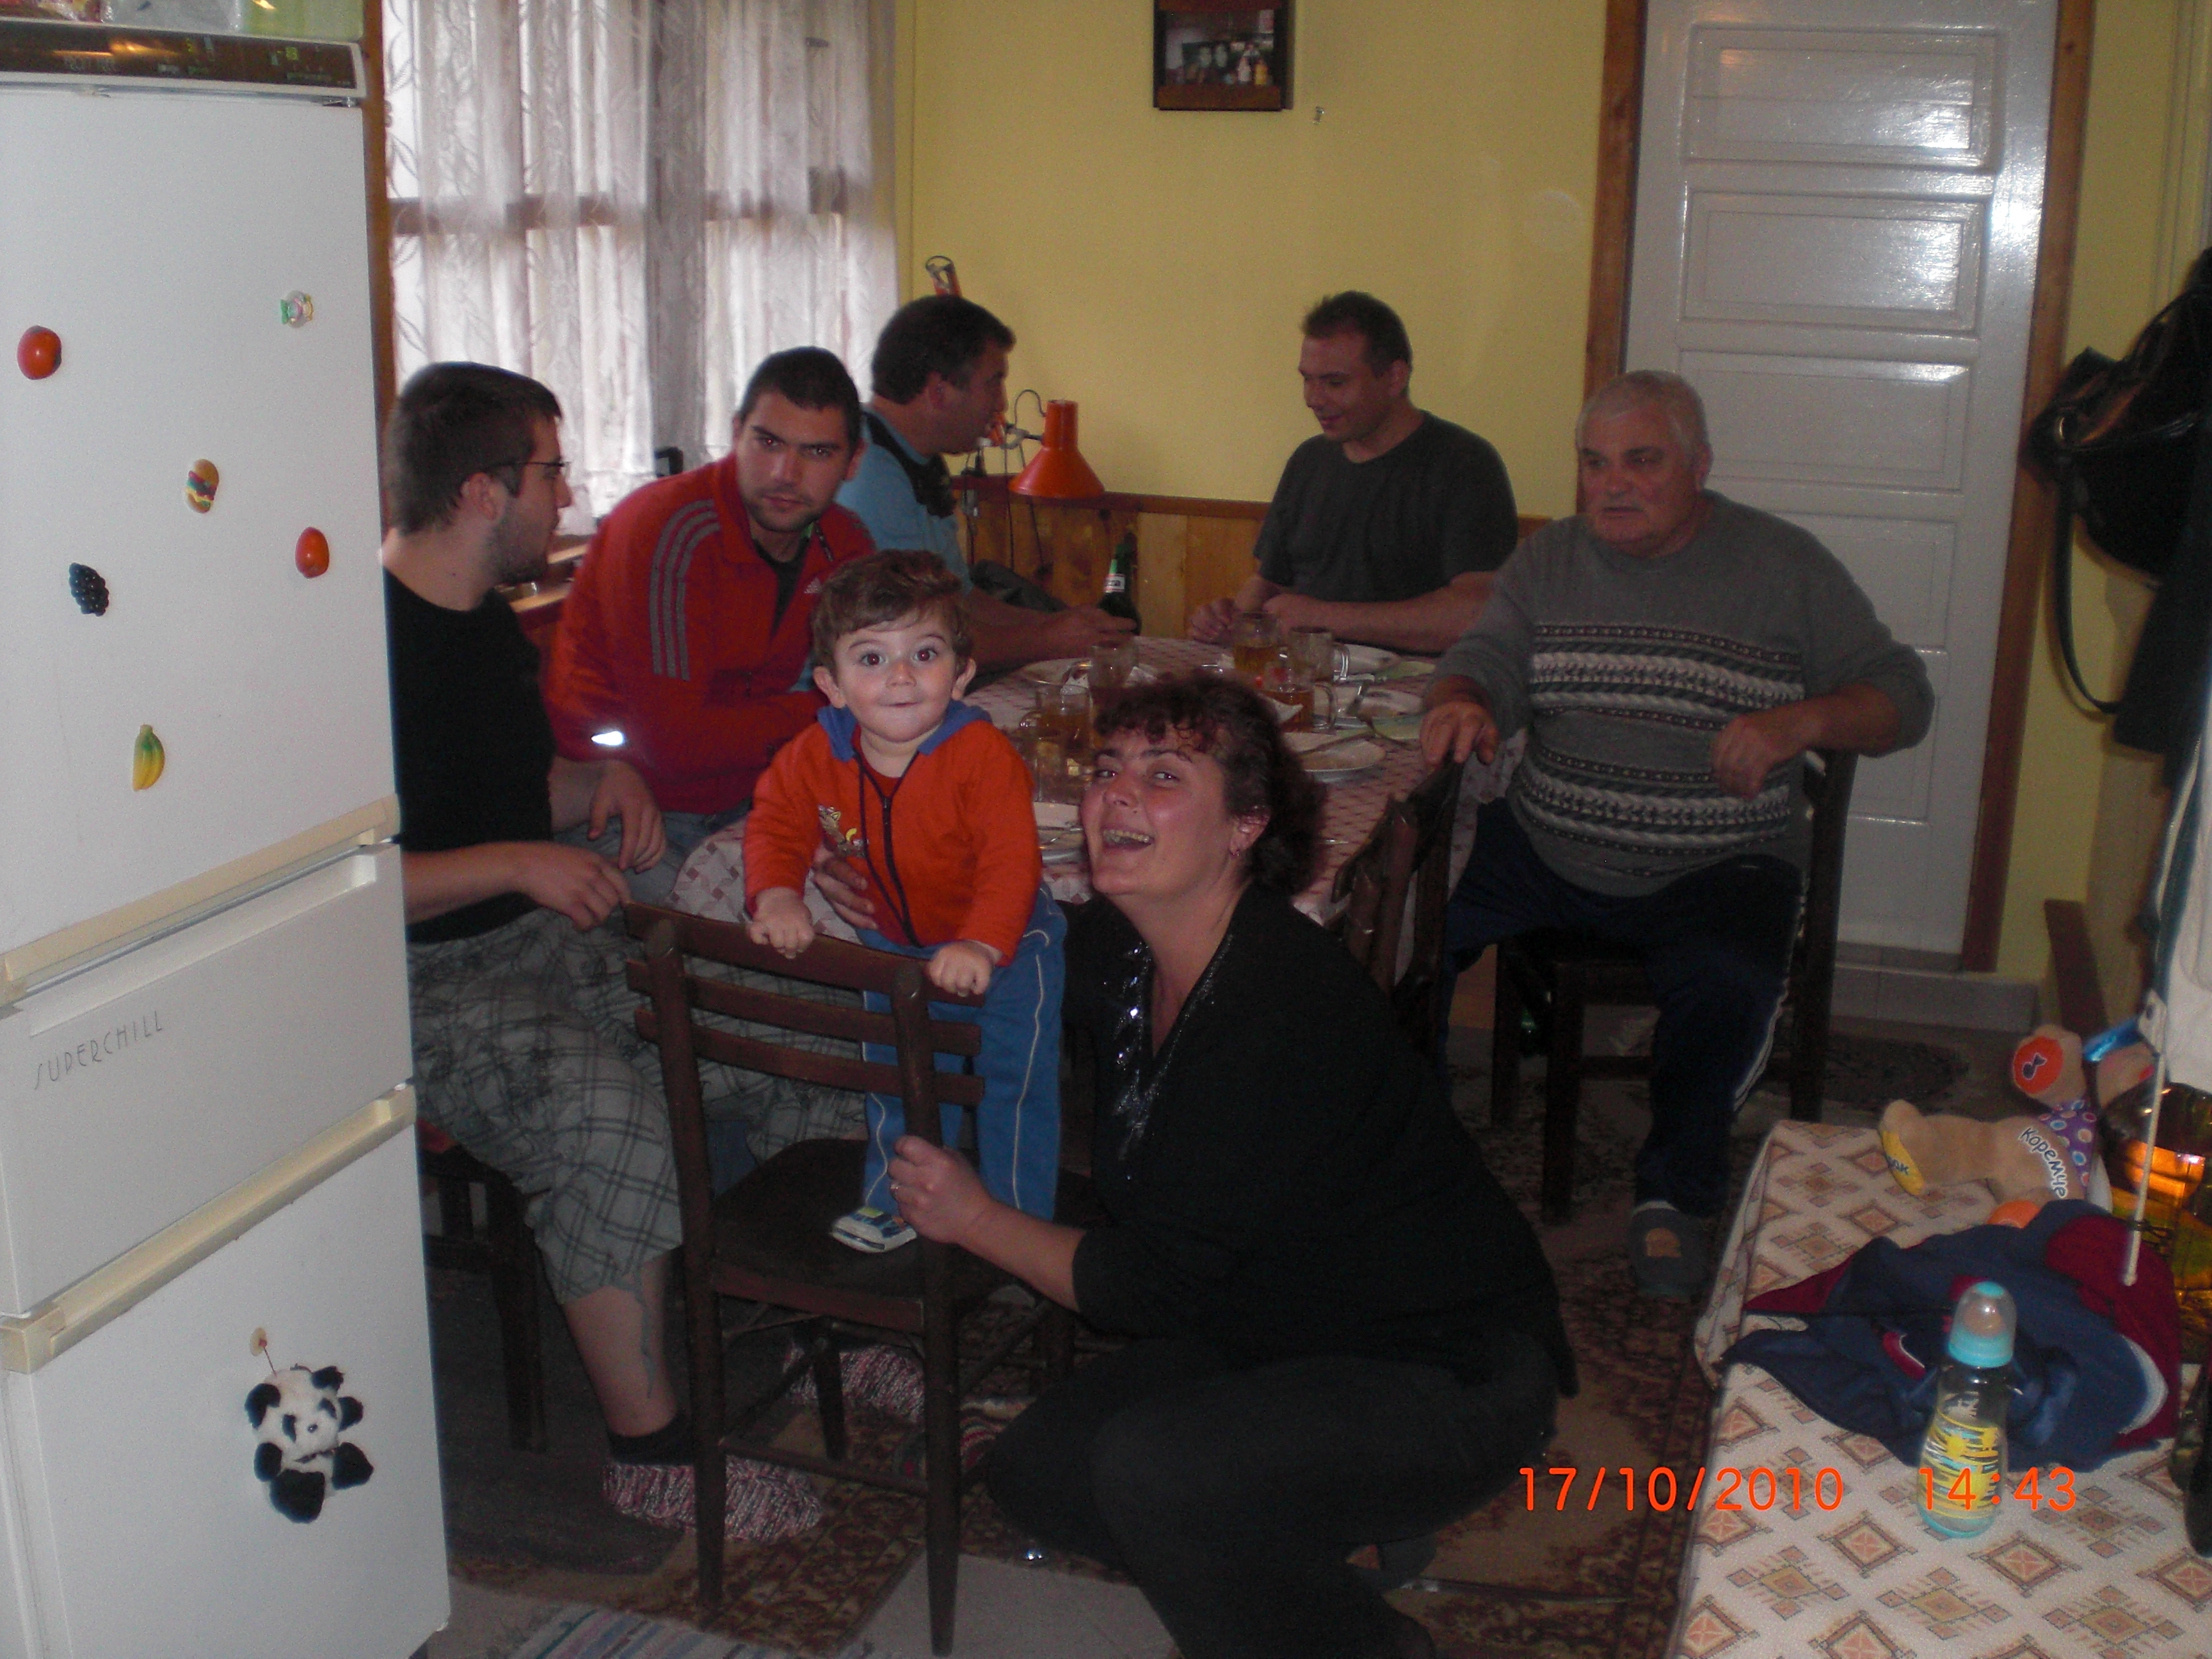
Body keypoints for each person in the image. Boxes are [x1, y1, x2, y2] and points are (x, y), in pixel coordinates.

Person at [882, 676, 1575, 1659]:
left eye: (1164, 776)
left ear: (1245, 826)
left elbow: (1144, 1288)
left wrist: (976, 1217)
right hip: (1276, 1324)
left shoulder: (1279, 1006)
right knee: (1036, 1472)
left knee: (1154, 1473)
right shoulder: (1127, 948)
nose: (1117, 795)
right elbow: (1001, 955)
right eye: (1108, 769)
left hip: (1445, 1368)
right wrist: (886, 895)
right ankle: (1310, 1524)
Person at [380, 362, 818, 1534]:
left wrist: (600, 782)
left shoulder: (482, 623)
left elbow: (508, 792)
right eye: (551, 471)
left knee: (781, 1019)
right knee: (604, 1115)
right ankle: (653, 1455)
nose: (567, 494)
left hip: (533, 941)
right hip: (410, 987)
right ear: (481, 491)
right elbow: (337, 889)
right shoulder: (354, 649)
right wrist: (520, 863)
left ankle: (838, 1331)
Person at [1422, 369, 1935, 1299]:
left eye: (1642, 461)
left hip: (1718, 860)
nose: (1612, 485)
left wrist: (1801, 721)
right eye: (1594, 463)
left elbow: (1903, 696)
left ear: (1699, 467)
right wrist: (1464, 698)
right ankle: (1400, 1142)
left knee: (1729, 981)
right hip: (1549, 842)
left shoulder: (1783, 566)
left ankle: (1674, 1196)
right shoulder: (1549, 560)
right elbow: (1485, 656)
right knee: (1402, 926)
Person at [743, 551, 1065, 1253]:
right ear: (831, 684)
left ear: (962, 672)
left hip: (1012, 954)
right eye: (871, 658)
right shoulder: (814, 755)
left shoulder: (982, 758)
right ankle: (897, 1203)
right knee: (901, 1084)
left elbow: (1012, 862)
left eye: (924, 653)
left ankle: (1019, 1223)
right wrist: (778, 895)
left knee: (1013, 1089)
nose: (900, 677)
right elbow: (776, 824)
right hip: (896, 953)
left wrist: (982, 942)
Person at [542, 347, 875, 889]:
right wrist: (838, 708)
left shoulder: (845, 541)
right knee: (765, 930)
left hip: (758, 792)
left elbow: (876, 689)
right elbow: (675, 745)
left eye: (817, 452)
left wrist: (855, 708)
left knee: (904, 881)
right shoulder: (669, 531)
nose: (786, 474)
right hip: (629, 807)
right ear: (737, 433)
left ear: (853, 462)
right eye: (768, 443)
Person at [1189, 291, 1519, 655]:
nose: (1313, 399)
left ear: (1394, 378)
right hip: (1302, 676)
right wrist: (1234, 621)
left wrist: (1323, 618)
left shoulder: (1464, 464)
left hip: (1417, 683)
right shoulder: (1308, 461)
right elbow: (1269, 583)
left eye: (1335, 383)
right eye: (1307, 380)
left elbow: (1475, 614)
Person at [838, 294, 1137, 671]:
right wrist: (1049, 639)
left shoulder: (919, 458)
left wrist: (1062, 624)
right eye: (994, 383)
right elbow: (915, 638)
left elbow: (960, 599)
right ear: (938, 391)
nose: (1002, 404)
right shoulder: (868, 474)